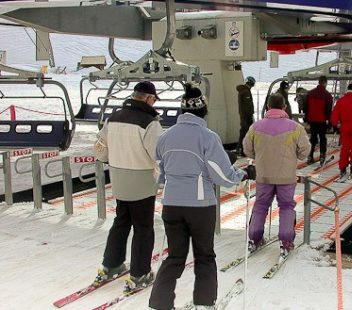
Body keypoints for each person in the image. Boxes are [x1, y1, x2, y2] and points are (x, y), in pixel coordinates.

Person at [149, 83, 254, 310]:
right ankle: (204, 303)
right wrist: (243, 174)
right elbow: (222, 176)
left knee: (175, 256)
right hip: (199, 206)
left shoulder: (166, 137)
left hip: (171, 204)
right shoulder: (207, 137)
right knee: (204, 255)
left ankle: (159, 303)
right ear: (203, 110)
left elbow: (159, 169)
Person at [93, 81, 163, 290]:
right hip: (141, 180)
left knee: (121, 221)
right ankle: (140, 273)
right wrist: (161, 177)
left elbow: (100, 148)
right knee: (143, 227)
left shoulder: (113, 118)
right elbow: (157, 154)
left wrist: (112, 161)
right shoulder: (150, 123)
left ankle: (111, 264)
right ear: (149, 98)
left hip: (119, 178)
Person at [243, 93, 311, 255]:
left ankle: (254, 237)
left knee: (260, 205)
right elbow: (304, 151)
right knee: (286, 206)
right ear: (284, 107)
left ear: (267, 106)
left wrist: (258, 156)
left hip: (263, 175)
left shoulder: (256, 127)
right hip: (286, 177)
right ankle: (286, 240)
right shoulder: (295, 127)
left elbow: (247, 149)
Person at [330, 83, 352, 178]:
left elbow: (334, 115)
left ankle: (342, 167)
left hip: (344, 126)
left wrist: (335, 124)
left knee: (345, 147)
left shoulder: (340, 101)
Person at [304, 75, 333, 165]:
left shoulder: (310, 93)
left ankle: (310, 155)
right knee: (322, 138)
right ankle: (322, 156)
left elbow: (305, 107)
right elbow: (328, 110)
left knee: (313, 138)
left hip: (312, 119)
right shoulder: (327, 95)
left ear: (319, 82)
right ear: (325, 83)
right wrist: (330, 122)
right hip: (322, 120)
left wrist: (307, 118)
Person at [236, 76, 256, 156]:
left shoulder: (243, 91)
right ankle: (241, 149)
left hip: (244, 116)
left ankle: (241, 148)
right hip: (246, 117)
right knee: (245, 132)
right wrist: (250, 116)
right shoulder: (246, 92)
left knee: (244, 132)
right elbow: (248, 106)